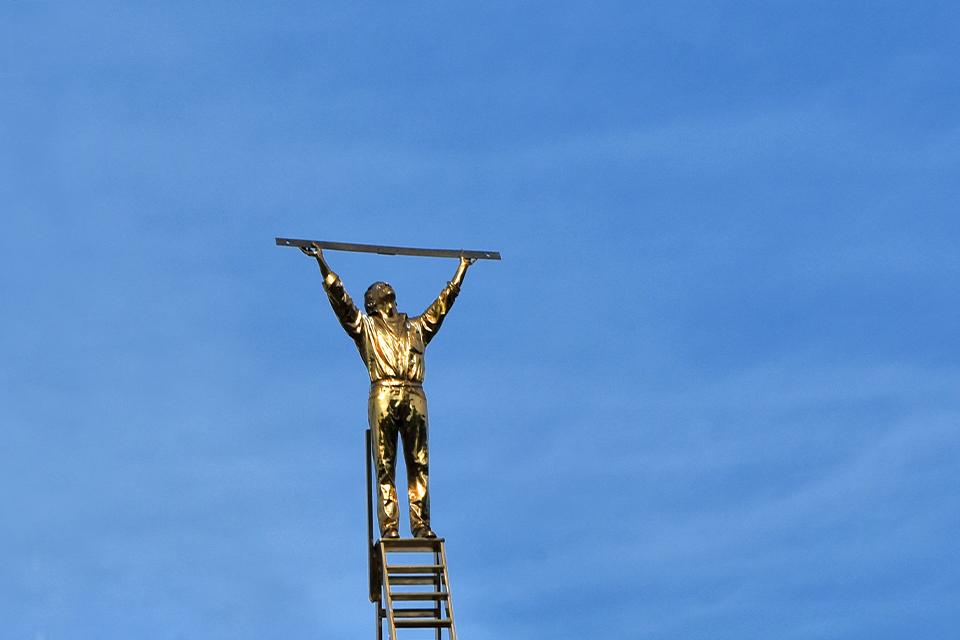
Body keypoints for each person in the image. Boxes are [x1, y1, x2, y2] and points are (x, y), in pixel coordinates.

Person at [301, 243, 475, 539]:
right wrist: (322, 262)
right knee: (385, 465)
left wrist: (461, 270)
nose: (384, 287)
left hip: (414, 392)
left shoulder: (415, 327)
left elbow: (441, 306)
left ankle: (421, 525)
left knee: (419, 462)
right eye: (378, 289)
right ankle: (391, 528)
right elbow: (342, 303)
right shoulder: (366, 327)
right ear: (372, 302)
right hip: (382, 393)